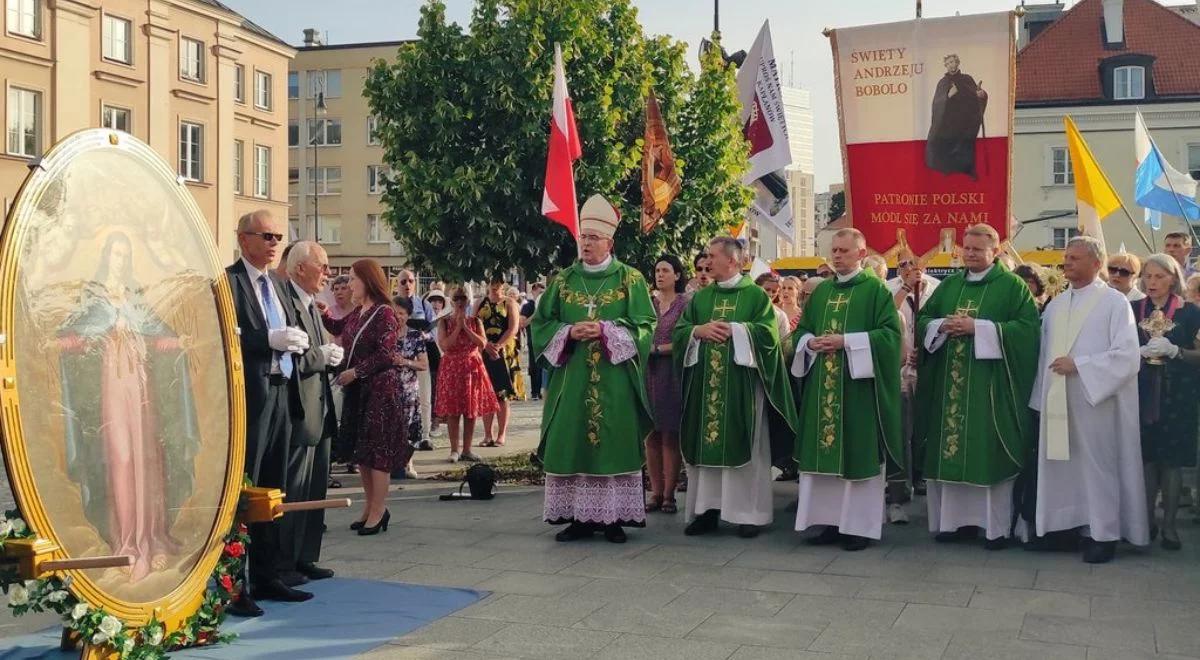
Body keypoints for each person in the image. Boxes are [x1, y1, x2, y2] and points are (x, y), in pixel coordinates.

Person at [531, 194, 656, 543]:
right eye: (583, 237)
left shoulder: (629, 280)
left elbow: (645, 325)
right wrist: (568, 331)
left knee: (611, 443)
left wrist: (604, 331)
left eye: (593, 238)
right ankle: (578, 518)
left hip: (614, 381)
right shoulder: (563, 280)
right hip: (571, 379)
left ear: (609, 242)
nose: (586, 243)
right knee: (572, 443)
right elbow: (541, 325)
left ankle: (614, 518)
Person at [915, 224, 1040, 550]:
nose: (969, 253)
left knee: (987, 452)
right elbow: (923, 319)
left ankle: (994, 528)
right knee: (950, 450)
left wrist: (978, 328)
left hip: (990, 390)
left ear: (995, 251)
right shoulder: (949, 285)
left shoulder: (1013, 287)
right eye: (965, 248)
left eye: (977, 249)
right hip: (949, 387)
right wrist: (941, 325)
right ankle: (953, 523)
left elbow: (1027, 332)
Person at [1029, 236, 1149, 563]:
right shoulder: (1056, 304)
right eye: (1066, 257)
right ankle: (1063, 529)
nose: (1067, 262)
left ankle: (1103, 534)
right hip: (1058, 401)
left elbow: (1126, 356)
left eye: (1075, 258)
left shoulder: (1113, 303)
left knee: (1098, 467)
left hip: (1096, 403)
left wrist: (1080, 366)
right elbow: (1045, 356)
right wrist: (1040, 398)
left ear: (1097, 264)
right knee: (1061, 465)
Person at [674, 237, 800, 538]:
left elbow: (770, 337)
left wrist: (737, 330)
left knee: (748, 448)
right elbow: (681, 331)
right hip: (706, 390)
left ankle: (748, 514)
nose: (708, 261)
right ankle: (707, 511)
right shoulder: (701, 299)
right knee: (707, 448)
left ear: (732, 261)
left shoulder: (755, 297)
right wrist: (696, 331)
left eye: (713, 256)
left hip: (743, 391)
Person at [791, 228, 902, 551]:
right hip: (822, 387)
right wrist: (809, 342)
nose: (837, 255)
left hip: (857, 392)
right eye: (834, 250)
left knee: (858, 456)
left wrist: (846, 342)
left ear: (861, 254)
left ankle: (858, 527)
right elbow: (801, 332)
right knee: (823, 457)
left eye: (844, 250)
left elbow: (890, 338)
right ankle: (829, 522)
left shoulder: (876, 291)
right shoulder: (822, 291)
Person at [226, 210, 313, 615]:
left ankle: (268, 573)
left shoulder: (276, 284)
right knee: (247, 488)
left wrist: (294, 341)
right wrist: (268, 340)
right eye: (267, 236)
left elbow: (283, 328)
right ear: (244, 239)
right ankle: (234, 582)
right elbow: (224, 335)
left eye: (279, 236)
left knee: (274, 488)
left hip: (282, 390)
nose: (275, 243)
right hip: (252, 398)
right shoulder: (230, 282)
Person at [322, 259, 409, 537]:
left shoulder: (384, 313)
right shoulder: (360, 311)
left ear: (368, 280)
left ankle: (379, 509)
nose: (349, 284)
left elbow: (385, 355)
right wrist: (321, 312)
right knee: (362, 454)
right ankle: (370, 506)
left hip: (380, 391)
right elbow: (338, 328)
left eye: (353, 279)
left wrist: (356, 371)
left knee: (377, 453)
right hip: (359, 391)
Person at [278, 241, 342, 585]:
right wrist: (323, 355)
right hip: (300, 409)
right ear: (300, 267)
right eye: (323, 266)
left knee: (315, 489)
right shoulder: (286, 303)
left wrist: (326, 356)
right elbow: (294, 358)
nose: (328, 274)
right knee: (295, 491)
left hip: (321, 406)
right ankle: (285, 562)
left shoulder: (312, 305)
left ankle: (306, 557)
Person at [1132, 254, 1200, 551]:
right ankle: (1146, 521)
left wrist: (1176, 352)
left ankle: (1170, 525)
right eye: (1148, 276)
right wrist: (1135, 353)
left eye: (1159, 277)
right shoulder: (1133, 309)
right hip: (1141, 392)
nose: (1152, 282)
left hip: (1178, 394)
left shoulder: (1190, 313)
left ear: (1173, 278)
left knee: (1171, 463)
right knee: (1145, 459)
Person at [885, 250, 940, 517]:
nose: (907, 267)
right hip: (900, 368)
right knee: (902, 429)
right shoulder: (890, 289)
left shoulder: (938, 289)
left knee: (925, 424)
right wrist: (906, 287)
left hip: (926, 364)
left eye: (911, 262)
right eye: (901, 264)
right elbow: (888, 316)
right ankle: (900, 486)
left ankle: (922, 474)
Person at [434, 284, 498, 463]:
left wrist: (466, 328)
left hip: (471, 367)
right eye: (457, 299)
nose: (460, 303)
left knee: (471, 411)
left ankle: (467, 450)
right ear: (452, 302)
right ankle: (454, 449)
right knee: (453, 412)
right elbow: (445, 345)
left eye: (463, 299)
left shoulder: (475, 321)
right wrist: (457, 328)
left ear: (468, 301)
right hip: (452, 368)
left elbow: (482, 343)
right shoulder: (444, 321)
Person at [645, 254, 689, 515]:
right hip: (648, 373)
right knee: (651, 435)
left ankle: (670, 494)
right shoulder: (648, 303)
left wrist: (660, 348)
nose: (660, 274)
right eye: (657, 270)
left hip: (671, 373)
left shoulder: (685, 304)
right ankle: (655, 491)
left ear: (677, 275)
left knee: (670, 434)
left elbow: (686, 337)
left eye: (665, 270)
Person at [926, 53, 987, 180]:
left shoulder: (967, 79)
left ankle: (968, 170)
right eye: (948, 63)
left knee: (966, 145)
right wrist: (948, 96)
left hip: (966, 120)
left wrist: (982, 94)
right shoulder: (943, 82)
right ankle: (947, 169)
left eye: (953, 62)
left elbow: (975, 93)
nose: (951, 65)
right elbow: (936, 103)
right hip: (948, 122)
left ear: (957, 63)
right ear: (945, 66)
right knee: (948, 144)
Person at [478, 278, 522, 446]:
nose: (495, 286)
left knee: (502, 395)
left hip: (504, 352)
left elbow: (513, 327)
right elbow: (475, 324)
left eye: (499, 283)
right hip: (485, 350)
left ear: (503, 284)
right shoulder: (480, 303)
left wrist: (499, 345)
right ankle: (487, 434)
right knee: (486, 393)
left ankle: (501, 434)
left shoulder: (509, 302)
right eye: (492, 283)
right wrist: (485, 344)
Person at [396, 271, 435, 452]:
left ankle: (425, 436)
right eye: (403, 281)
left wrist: (424, 335)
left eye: (411, 281)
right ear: (397, 284)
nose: (407, 284)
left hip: (419, 353)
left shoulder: (424, 304)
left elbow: (433, 329)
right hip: (399, 360)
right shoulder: (392, 305)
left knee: (424, 397)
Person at [392, 296, 430, 474]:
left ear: (408, 315)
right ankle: (392, 463)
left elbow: (423, 364)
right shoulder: (385, 335)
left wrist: (405, 362)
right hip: (389, 389)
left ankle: (408, 462)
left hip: (408, 390)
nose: (397, 317)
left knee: (410, 429)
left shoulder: (415, 336)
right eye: (394, 313)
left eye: (401, 313)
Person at [423, 288, 447, 440]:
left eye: (439, 301)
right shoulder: (424, 321)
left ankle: (436, 422)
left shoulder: (446, 320)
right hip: (429, 360)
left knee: (439, 391)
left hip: (443, 360)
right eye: (432, 301)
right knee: (429, 391)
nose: (436, 304)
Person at [520, 281, 546, 399]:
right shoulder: (528, 306)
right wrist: (535, 314)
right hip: (533, 339)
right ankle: (535, 391)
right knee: (534, 365)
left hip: (546, 338)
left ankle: (545, 389)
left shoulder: (547, 304)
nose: (540, 294)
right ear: (533, 291)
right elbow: (522, 323)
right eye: (538, 291)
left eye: (543, 291)